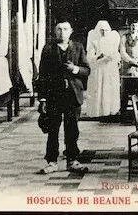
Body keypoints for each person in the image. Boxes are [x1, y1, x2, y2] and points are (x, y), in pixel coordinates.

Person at [37, 20, 90, 174]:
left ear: (71, 31)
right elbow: (43, 75)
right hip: (54, 95)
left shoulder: (78, 47)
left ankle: (72, 160)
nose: (62, 32)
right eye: (59, 29)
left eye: (65, 29)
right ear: (55, 31)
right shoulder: (48, 49)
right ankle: (52, 162)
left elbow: (86, 70)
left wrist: (75, 69)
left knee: (72, 128)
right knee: (53, 129)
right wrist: (43, 99)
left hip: (72, 95)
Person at [86, 20, 121, 119]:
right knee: (99, 88)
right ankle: (97, 111)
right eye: (101, 30)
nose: (104, 33)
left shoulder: (113, 38)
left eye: (106, 30)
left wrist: (113, 57)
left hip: (110, 68)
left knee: (109, 88)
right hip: (98, 68)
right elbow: (90, 56)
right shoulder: (94, 40)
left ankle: (110, 110)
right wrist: (99, 56)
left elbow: (116, 54)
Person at [119, 20, 138, 120]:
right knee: (124, 91)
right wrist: (130, 60)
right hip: (127, 66)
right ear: (129, 26)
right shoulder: (124, 37)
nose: (134, 28)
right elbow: (122, 51)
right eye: (132, 26)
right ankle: (123, 115)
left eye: (136, 26)